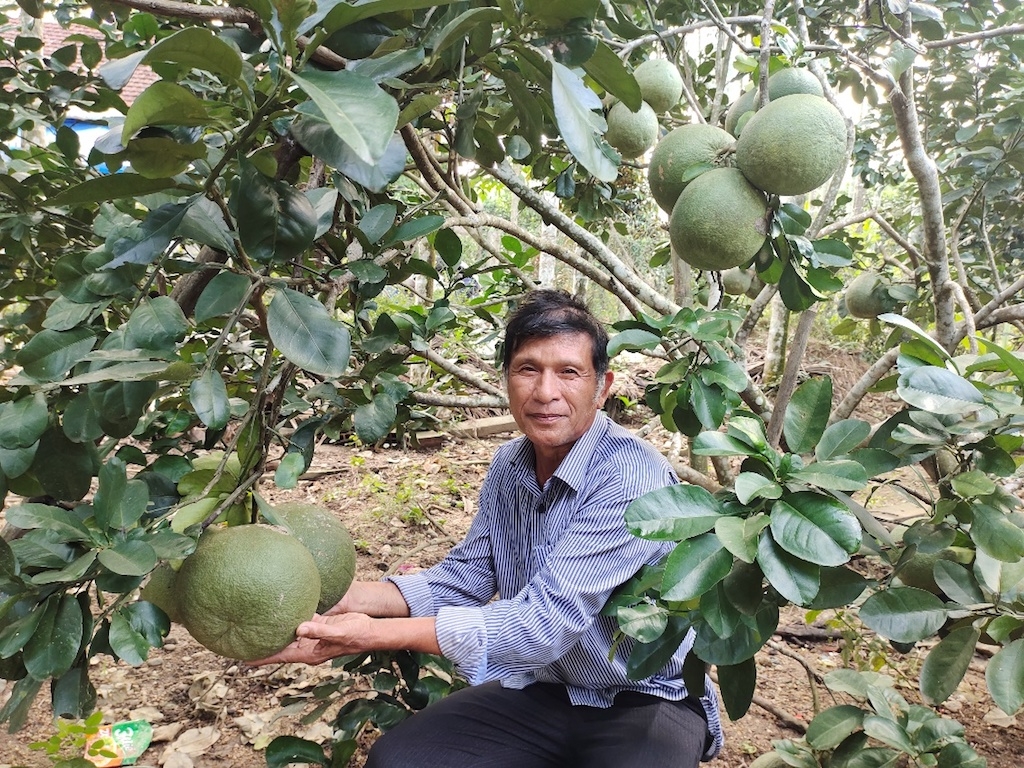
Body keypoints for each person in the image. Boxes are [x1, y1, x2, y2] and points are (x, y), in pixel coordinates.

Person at [254, 289, 724, 767]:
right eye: (528, 369)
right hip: (548, 686)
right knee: (400, 760)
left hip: (643, 695)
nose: (545, 393)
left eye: (568, 372)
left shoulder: (629, 476)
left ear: (602, 387)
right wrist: (343, 599)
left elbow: (545, 624)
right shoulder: (510, 465)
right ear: (506, 380)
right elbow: (468, 577)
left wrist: (374, 635)